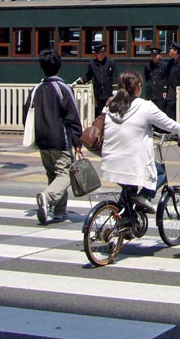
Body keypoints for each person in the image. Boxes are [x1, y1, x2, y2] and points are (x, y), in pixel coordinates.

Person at [100, 71, 180, 210]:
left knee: (128, 190)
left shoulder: (110, 105)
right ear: (139, 87)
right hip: (132, 163)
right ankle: (144, 197)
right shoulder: (145, 106)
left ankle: (124, 219)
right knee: (159, 172)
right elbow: (169, 125)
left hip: (110, 161)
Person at [25, 49, 83, 225]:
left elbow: (26, 113)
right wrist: (77, 140)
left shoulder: (36, 89)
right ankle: (47, 197)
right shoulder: (63, 88)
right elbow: (72, 116)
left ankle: (59, 211)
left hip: (42, 140)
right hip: (60, 140)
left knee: (53, 175)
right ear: (59, 65)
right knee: (64, 175)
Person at [81, 43, 118, 116]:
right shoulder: (92, 64)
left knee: (111, 111)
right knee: (101, 112)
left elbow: (114, 76)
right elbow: (88, 76)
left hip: (109, 91)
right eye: (101, 53)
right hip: (99, 92)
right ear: (96, 54)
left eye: (104, 53)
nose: (103, 54)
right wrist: (81, 81)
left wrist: (115, 89)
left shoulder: (110, 62)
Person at [162, 41, 180, 120]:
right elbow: (167, 77)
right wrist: (165, 90)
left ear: (175, 51)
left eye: (171, 49)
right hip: (171, 91)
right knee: (169, 109)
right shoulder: (170, 63)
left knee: (179, 110)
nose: (169, 51)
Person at [144, 47, 167, 112]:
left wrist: (165, 90)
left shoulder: (164, 65)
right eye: (152, 55)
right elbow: (147, 77)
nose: (154, 56)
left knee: (160, 111)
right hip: (150, 93)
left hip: (160, 93)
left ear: (159, 55)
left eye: (155, 55)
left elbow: (166, 78)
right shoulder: (148, 65)